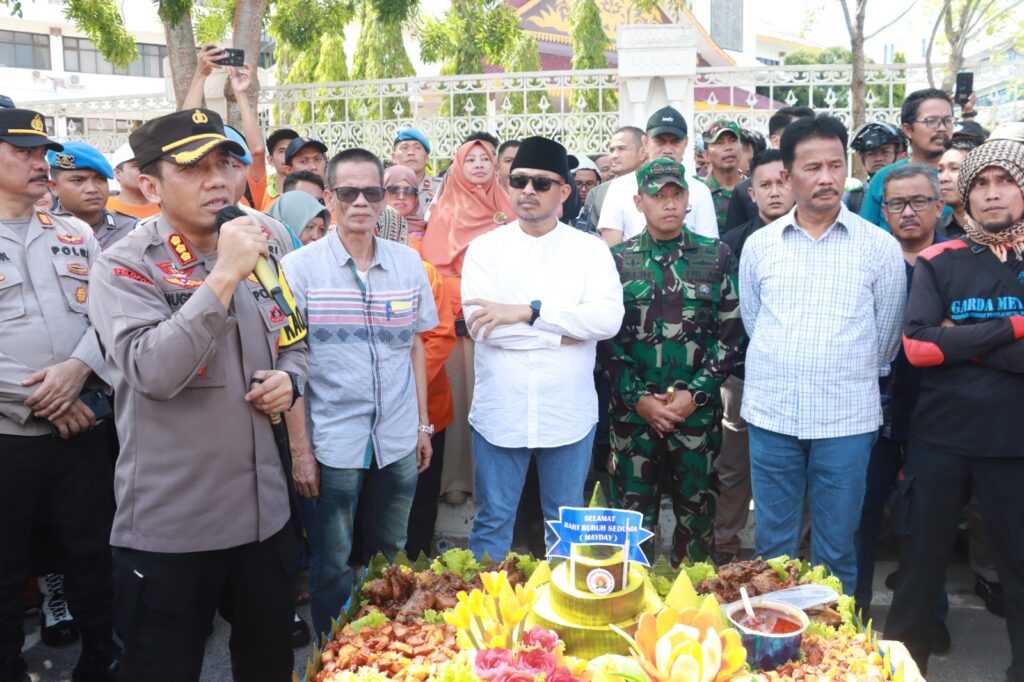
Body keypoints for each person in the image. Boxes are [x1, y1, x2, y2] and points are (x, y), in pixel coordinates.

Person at [87, 108, 308, 681]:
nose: (217, 180)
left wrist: (291, 380)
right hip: (173, 530)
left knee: (267, 666)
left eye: (225, 165)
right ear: (149, 184)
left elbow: (294, 340)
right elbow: (154, 372)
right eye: (194, 168)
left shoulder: (264, 252)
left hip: (264, 519)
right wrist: (223, 276)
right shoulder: (123, 268)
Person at [739, 114, 905, 594]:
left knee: (837, 549)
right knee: (774, 548)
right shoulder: (760, 246)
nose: (827, 177)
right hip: (772, 418)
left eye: (836, 165)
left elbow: (886, 339)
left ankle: (838, 655)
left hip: (846, 422)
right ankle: (774, 656)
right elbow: (755, 323)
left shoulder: (879, 247)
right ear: (789, 175)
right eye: (813, 167)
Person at [281, 147, 437, 637]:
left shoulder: (409, 265)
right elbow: (293, 364)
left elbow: (415, 347)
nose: (361, 203)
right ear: (329, 198)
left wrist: (422, 425)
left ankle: (391, 647)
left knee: (393, 553)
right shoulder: (300, 269)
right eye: (348, 193)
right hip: (333, 440)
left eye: (373, 192)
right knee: (331, 563)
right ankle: (334, 654)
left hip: (396, 436)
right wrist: (301, 451)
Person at [884, 140, 1024, 680]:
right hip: (940, 440)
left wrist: (959, 339)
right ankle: (900, 671)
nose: (992, 195)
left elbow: (939, 342)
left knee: (1019, 569)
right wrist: (1013, 327)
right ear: (963, 197)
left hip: (1014, 444)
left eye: (1004, 182)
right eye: (980, 185)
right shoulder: (941, 259)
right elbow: (918, 346)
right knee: (918, 572)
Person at [460, 136, 623, 560]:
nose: (528, 190)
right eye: (519, 180)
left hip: (566, 413)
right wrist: (566, 330)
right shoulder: (483, 250)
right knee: (493, 518)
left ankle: (560, 620)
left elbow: (607, 321)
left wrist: (528, 313)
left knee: (565, 521)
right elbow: (482, 328)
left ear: (565, 192)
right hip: (501, 410)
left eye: (541, 183)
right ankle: (485, 618)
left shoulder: (589, 251)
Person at [0, 108, 120, 682]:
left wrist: (77, 370)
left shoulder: (75, 235)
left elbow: (110, 320)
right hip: (9, 437)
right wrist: (44, 398)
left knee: (91, 551)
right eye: (21, 151)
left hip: (80, 432)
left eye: (40, 152)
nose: (37, 162)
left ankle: (102, 656)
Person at [604, 158, 744, 565]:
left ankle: (692, 614)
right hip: (634, 420)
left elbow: (731, 336)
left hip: (695, 420)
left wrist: (694, 396)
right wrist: (639, 400)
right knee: (631, 528)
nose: (668, 203)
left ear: (688, 198)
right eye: (657, 195)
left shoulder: (715, 256)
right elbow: (606, 342)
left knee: (697, 525)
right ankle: (633, 613)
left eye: (676, 194)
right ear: (638, 201)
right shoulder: (617, 260)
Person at [854, 164, 950, 650]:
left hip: (937, 417)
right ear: (883, 209)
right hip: (871, 413)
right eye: (896, 203)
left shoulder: (958, 261)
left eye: (918, 202)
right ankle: (854, 617)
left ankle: (929, 621)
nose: (908, 212)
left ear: (940, 205)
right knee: (862, 517)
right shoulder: (869, 256)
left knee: (928, 524)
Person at [419, 139, 515, 506]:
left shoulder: (507, 208)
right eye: (469, 159)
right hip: (457, 326)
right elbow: (434, 272)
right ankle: (456, 480)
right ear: (457, 167)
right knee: (458, 406)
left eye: (484, 159)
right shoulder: (443, 210)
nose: (478, 165)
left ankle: (494, 484)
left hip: (501, 326)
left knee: (495, 403)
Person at [713, 149, 793, 564]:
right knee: (733, 468)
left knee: (799, 472)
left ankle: (797, 552)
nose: (776, 191)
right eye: (766, 184)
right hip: (740, 374)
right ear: (752, 191)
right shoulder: (730, 245)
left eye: (784, 181)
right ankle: (725, 546)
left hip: (797, 376)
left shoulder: (816, 242)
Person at [598, 106, 718, 246]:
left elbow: (709, 248)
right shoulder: (619, 188)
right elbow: (611, 250)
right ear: (645, 142)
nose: (667, 149)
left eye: (675, 142)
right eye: (660, 141)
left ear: (686, 142)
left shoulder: (700, 190)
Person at [183, 46, 269, 211]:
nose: (221, 175)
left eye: (232, 165)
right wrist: (200, 75)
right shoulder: (192, 204)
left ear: (246, 169)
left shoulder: (250, 201)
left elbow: (257, 151)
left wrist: (240, 93)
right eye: (217, 163)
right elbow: (184, 137)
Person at [860, 88, 955, 228]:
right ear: (908, 130)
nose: (942, 128)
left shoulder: (965, 176)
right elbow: (865, 234)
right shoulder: (883, 177)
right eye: (931, 121)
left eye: (947, 120)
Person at [724, 106, 814, 232]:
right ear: (776, 141)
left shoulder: (819, 186)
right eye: (801, 137)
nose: (809, 144)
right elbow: (733, 243)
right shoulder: (744, 190)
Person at [47, 141, 136, 248]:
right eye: (78, 180)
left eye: (100, 179)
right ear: (54, 187)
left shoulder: (133, 230)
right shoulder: (42, 233)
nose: (92, 189)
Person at [578, 127, 645, 234]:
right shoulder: (597, 194)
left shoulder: (660, 185)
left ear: (642, 152)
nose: (614, 156)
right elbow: (588, 237)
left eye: (621, 148)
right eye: (612, 150)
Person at [845, 122, 907, 214]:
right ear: (861, 158)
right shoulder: (851, 200)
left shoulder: (916, 193)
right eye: (871, 153)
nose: (878, 159)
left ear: (903, 156)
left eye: (885, 152)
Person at [701, 119, 744, 232]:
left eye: (733, 140)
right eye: (719, 143)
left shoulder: (754, 189)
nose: (728, 147)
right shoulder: (700, 193)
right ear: (706, 155)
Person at [107, 142, 160, 221]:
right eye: (137, 165)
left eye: (148, 164)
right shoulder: (104, 209)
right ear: (118, 173)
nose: (145, 170)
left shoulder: (168, 207)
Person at [393, 128, 440, 214]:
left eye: (417, 148)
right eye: (405, 148)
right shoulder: (385, 190)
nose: (411, 152)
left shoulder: (441, 188)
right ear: (394, 157)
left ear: (426, 158)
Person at [384, 165, 426, 243]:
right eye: (393, 190)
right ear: (382, 193)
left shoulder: (429, 232)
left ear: (415, 198)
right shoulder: (369, 230)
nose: (401, 197)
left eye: (409, 191)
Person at [938, 144, 972, 238]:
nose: (943, 178)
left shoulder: (996, 228)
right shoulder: (934, 230)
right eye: (940, 170)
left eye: (954, 169)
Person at [266, 128, 300, 205]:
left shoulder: (308, 194)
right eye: (282, 151)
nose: (287, 154)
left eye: (291, 149)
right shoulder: (262, 196)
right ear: (270, 160)